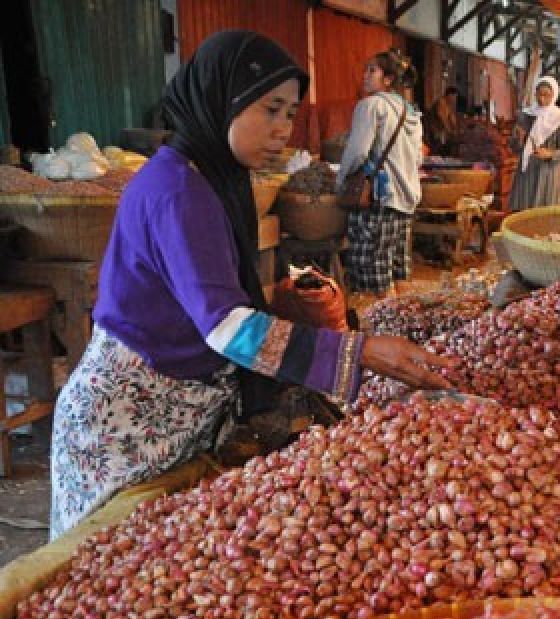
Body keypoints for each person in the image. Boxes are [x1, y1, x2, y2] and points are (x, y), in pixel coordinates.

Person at [49, 32, 452, 537]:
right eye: (270, 110)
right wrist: (363, 352)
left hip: (171, 410)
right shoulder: (178, 191)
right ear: (223, 102)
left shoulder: (214, 176)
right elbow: (228, 328)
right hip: (126, 426)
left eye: (290, 113)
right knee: (100, 574)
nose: (283, 129)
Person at [339, 51, 423, 298]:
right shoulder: (410, 112)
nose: (365, 76)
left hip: (380, 200)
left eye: (371, 71)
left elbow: (357, 152)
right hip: (405, 200)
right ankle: (404, 327)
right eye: (365, 69)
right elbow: (417, 158)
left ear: (388, 79)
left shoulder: (371, 106)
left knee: (376, 276)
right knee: (398, 271)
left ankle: (383, 332)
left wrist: (342, 178)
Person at [509, 76, 560, 211]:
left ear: (554, 95)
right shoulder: (526, 115)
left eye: (546, 95)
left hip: (548, 172)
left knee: (544, 212)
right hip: (527, 169)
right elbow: (514, 147)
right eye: (539, 94)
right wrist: (518, 139)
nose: (542, 99)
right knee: (524, 211)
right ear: (534, 93)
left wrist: (549, 153)